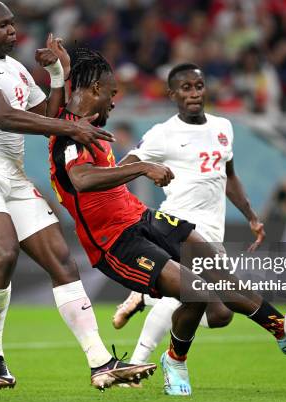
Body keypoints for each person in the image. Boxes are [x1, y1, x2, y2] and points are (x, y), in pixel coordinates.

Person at [48, 49, 286, 396]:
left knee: (219, 275)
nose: (114, 103)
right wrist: (141, 167)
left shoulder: (87, 125)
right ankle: (175, 360)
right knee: (197, 291)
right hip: (115, 242)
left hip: (144, 217)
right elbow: (82, 180)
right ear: (93, 91)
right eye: (112, 94)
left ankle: (282, 328)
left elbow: (60, 100)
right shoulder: (67, 137)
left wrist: (59, 69)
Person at [0, 0, 154, 392]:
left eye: (13, 25)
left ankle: (101, 364)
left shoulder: (18, 70)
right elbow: (5, 116)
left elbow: (52, 118)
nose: (12, 32)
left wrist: (59, 73)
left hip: (14, 176)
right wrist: (74, 131)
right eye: (4, 26)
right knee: (5, 252)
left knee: (62, 261)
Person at [111, 62, 271, 366]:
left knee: (221, 314)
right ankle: (136, 364)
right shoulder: (163, 133)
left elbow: (230, 177)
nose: (194, 93)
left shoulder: (223, 127)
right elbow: (125, 165)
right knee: (187, 292)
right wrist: (116, 183)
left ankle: (144, 296)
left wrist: (251, 216)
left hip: (212, 231)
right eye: (186, 88)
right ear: (172, 94)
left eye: (199, 86)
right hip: (178, 227)